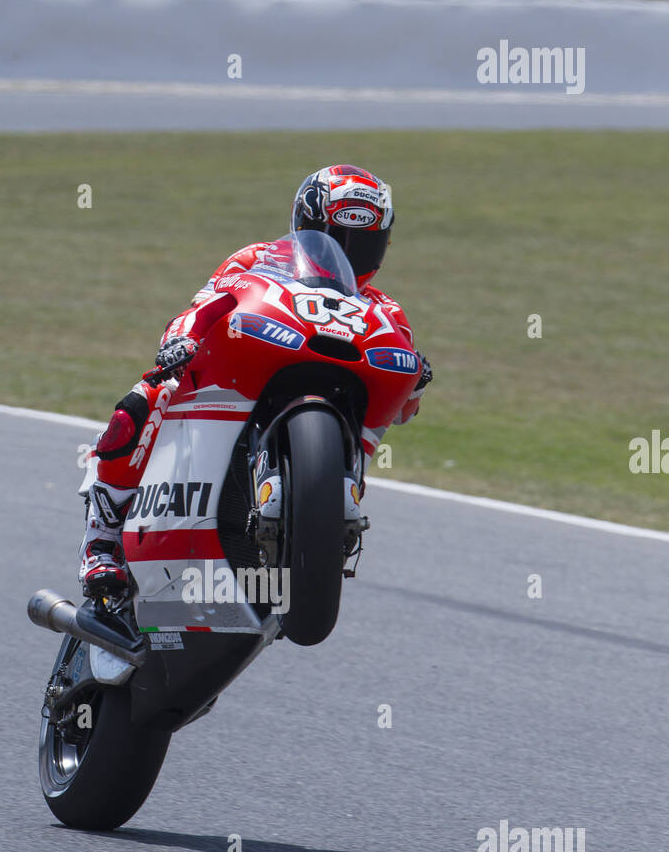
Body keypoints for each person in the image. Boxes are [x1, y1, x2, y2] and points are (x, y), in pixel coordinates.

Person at [78, 163, 432, 595]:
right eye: (336, 238)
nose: (348, 251)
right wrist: (180, 342)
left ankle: (318, 528)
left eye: (365, 241)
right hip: (243, 374)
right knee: (152, 393)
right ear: (306, 224)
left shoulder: (386, 310)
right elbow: (207, 305)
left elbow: (402, 413)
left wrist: (416, 381)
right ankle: (102, 539)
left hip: (330, 404)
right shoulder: (259, 259)